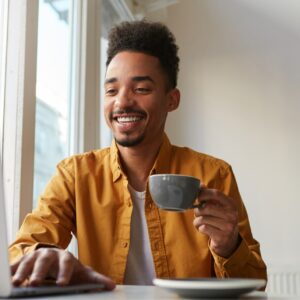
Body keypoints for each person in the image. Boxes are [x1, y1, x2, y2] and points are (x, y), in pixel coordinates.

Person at [9, 20, 267, 289]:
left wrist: (229, 245)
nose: (122, 102)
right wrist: (42, 255)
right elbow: (20, 250)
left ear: (172, 100)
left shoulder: (214, 175)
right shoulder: (74, 174)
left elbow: (257, 286)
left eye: (141, 89)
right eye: (111, 90)